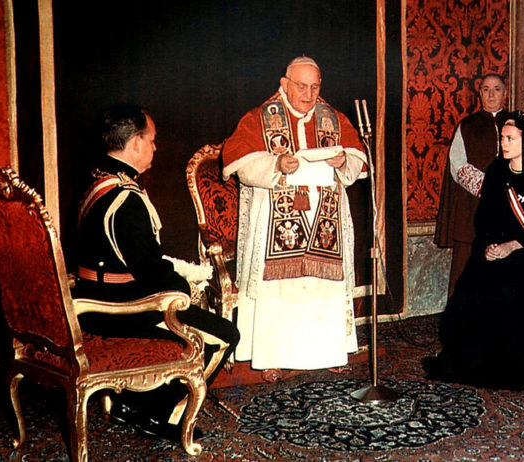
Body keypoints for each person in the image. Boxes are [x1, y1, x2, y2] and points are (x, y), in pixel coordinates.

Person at [73, 103, 240, 441]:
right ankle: (157, 412)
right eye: (151, 140)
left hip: (92, 298)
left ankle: (132, 404)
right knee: (224, 335)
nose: (154, 147)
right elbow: (151, 275)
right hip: (119, 310)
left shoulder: (98, 181)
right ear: (134, 143)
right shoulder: (125, 199)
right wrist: (186, 285)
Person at [222, 56, 367, 378]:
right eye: (301, 86)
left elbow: (358, 157)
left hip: (324, 216)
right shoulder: (259, 118)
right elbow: (240, 163)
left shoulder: (333, 118)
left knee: (322, 287)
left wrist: (344, 159)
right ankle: (272, 355)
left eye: (315, 87)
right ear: (284, 84)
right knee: (280, 289)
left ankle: (327, 350)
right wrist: (276, 165)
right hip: (277, 216)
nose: (309, 93)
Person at [423, 111, 524, 390]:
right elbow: (485, 220)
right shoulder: (497, 172)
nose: (504, 143)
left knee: (507, 283)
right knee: (471, 282)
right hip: (498, 246)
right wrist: (489, 246)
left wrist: (512, 246)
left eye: (510, 138)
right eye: (502, 137)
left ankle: (509, 366)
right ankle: (471, 361)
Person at [435, 74, 511, 295]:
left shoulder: (518, 124)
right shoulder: (467, 126)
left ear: (504, 94)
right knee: (466, 271)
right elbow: (457, 164)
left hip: (509, 206)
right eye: (486, 89)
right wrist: (488, 187)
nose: (491, 94)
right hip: (472, 208)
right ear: (480, 94)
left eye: (496, 89)